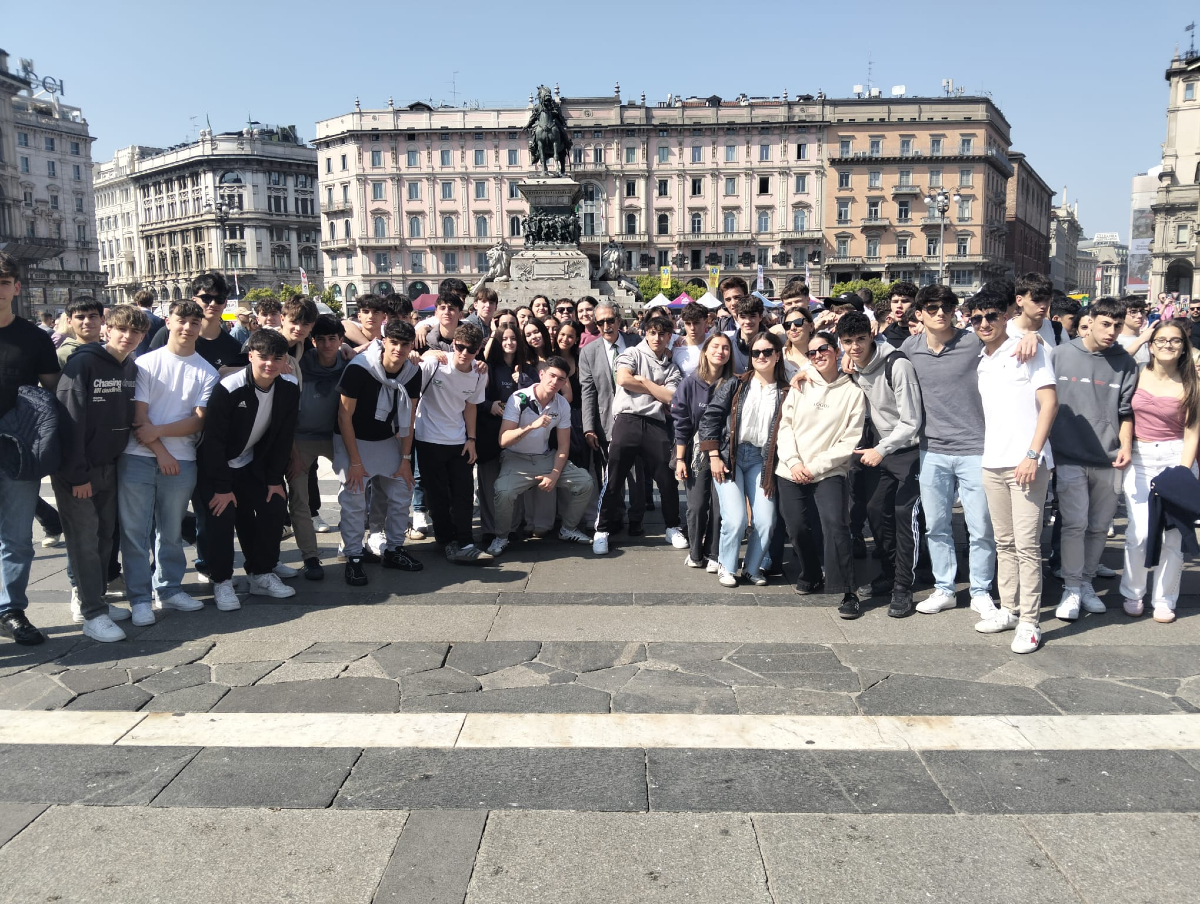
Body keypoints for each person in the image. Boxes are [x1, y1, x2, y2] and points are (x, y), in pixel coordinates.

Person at [906, 284, 1038, 617]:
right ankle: (944, 588)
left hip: (977, 448)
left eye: (948, 307)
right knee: (936, 525)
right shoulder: (910, 347)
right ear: (918, 314)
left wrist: (1032, 336)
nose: (941, 313)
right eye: (933, 308)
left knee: (980, 527)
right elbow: (873, 360)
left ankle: (980, 589)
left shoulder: (972, 340)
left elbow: (1009, 338)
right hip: (931, 448)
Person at [119, 299, 218, 626]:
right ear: (168, 321)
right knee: (135, 533)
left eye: (194, 322)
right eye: (182, 320)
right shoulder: (145, 363)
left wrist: (158, 435)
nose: (188, 327)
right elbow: (139, 415)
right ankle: (139, 597)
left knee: (171, 531)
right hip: (138, 459)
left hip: (184, 460)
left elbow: (199, 421)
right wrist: (162, 451)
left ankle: (170, 588)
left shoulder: (207, 370)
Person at [54, 304, 148, 641]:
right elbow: (70, 421)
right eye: (121, 329)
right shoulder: (85, 362)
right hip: (80, 470)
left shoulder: (129, 367)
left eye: (136, 332)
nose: (128, 337)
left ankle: (96, 600)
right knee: (84, 541)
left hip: (110, 466)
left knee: (105, 537)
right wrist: (77, 474)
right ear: (107, 328)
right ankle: (92, 613)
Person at [971, 291, 1059, 653]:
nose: (984, 324)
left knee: (1026, 546)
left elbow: (1050, 403)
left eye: (991, 315)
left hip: (1027, 463)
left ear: (1007, 314)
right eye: (976, 318)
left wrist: (1032, 454)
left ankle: (1030, 621)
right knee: (1004, 543)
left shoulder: (1029, 350)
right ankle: (1008, 609)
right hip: (992, 461)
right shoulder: (982, 358)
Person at [1047, 296, 1138, 620]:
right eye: (1105, 323)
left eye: (1117, 325)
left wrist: (1125, 446)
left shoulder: (1125, 363)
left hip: (1109, 457)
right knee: (1074, 524)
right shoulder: (1060, 355)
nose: (1111, 331)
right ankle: (1072, 588)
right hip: (1068, 454)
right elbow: (1044, 404)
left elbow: (1127, 412)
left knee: (1099, 527)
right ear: (1092, 319)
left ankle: (1086, 582)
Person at [197, 329, 300, 609]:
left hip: (251, 463)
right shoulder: (229, 388)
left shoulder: (289, 388)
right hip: (215, 466)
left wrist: (274, 480)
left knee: (274, 505)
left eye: (277, 358)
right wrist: (221, 487)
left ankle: (261, 574)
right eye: (263, 357)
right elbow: (213, 442)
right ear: (250, 356)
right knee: (221, 516)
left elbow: (282, 438)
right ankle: (221, 581)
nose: (269, 364)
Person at [837, 312, 925, 616]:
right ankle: (889, 572)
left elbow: (911, 421)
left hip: (906, 449)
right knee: (875, 510)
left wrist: (882, 449)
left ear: (871, 336)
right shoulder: (853, 366)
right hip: (880, 449)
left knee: (903, 514)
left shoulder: (896, 364)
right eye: (848, 342)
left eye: (860, 339)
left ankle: (903, 586)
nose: (855, 347)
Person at [772, 331, 865, 611]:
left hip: (828, 470)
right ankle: (811, 573)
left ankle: (847, 590)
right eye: (812, 352)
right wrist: (793, 461)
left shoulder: (853, 391)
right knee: (797, 527)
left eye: (823, 349)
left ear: (837, 351)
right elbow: (784, 425)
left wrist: (814, 467)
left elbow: (850, 439)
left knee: (836, 525)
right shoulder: (801, 383)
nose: (817, 355)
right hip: (791, 468)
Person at [1119, 320, 1200, 622]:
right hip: (1139, 457)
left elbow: (1192, 432)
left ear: (1183, 348)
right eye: (1161, 340)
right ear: (1151, 346)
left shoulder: (1192, 383)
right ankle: (1132, 591)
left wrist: (1183, 470)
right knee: (1138, 533)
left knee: (1173, 536)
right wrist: (1140, 337)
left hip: (1175, 457)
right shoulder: (1135, 373)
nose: (1168, 345)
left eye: (1175, 341)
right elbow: (1124, 414)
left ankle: (1165, 599)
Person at [698, 331, 792, 586]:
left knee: (765, 520)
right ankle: (727, 567)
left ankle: (752, 568)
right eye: (755, 352)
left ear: (777, 355)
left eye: (766, 352)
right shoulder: (736, 384)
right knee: (736, 518)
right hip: (731, 456)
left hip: (763, 460)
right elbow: (711, 418)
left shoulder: (787, 390)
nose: (761, 356)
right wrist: (714, 455)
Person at [0, 254, 61, 646]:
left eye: (4, 281)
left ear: (16, 287)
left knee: (17, 537)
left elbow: (56, 389)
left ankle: (10, 609)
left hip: (17, 449)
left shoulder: (34, 337)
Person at [335, 319, 424, 585]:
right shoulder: (360, 368)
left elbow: (409, 419)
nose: (398, 349)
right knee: (354, 497)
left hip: (386, 437)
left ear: (410, 347)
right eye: (394, 342)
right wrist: (355, 462)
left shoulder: (412, 372)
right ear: (383, 341)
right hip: (352, 437)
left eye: (405, 344)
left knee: (402, 488)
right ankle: (353, 557)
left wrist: (406, 459)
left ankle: (394, 549)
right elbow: (343, 416)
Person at [593, 314, 685, 555]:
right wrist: (656, 389)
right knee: (614, 477)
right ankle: (601, 529)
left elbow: (671, 398)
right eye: (652, 332)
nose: (657, 338)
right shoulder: (631, 353)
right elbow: (623, 379)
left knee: (666, 477)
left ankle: (672, 526)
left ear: (669, 336)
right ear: (646, 333)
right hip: (627, 419)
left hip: (655, 423)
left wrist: (643, 380)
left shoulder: (672, 366)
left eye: (662, 334)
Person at [486, 357, 595, 556]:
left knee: (585, 482)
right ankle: (501, 537)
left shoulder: (562, 404)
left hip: (545, 457)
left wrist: (554, 473)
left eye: (561, 379)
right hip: (516, 458)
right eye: (552, 376)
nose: (555, 382)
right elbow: (503, 440)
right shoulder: (519, 398)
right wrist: (531, 426)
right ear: (542, 374)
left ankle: (568, 529)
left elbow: (563, 445)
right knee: (503, 491)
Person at [415, 322, 490, 563]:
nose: (464, 353)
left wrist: (471, 438)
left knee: (464, 492)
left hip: (458, 439)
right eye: (460, 347)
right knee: (437, 495)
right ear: (453, 344)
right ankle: (446, 541)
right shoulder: (435, 363)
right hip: (428, 438)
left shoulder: (480, 372)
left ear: (479, 350)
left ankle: (466, 540)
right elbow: (414, 397)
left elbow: (471, 406)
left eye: (471, 349)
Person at [288, 315, 349, 581]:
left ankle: (351, 546)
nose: (326, 345)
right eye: (320, 339)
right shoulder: (298, 362)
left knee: (355, 491)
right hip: (300, 438)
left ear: (341, 340)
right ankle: (310, 556)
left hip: (336, 436)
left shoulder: (349, 364)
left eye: (332, 339)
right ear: (313, 340)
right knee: (299, 500)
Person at [579, 302, 644, 533]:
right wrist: (588, 427)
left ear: (618, 320)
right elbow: (587, 391)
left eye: (609, 320)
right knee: (610, 473)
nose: (606, 326)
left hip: (636, 417)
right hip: (605, 421)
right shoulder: (588, 351)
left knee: (637, 473)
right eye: (600, 322)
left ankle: (636, 518)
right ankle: (616, 516)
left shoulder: (637, 343)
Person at [672, 332, 734, 571]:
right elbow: (682, 424)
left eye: (725, 348)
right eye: (715, 346)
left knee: (720, 507)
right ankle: (695, 552)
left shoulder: (733, 383)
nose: (720, 351)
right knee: (697, 506)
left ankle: (714, 553)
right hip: (695, 453)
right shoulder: (689, 383)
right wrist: (680, 459)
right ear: (705, 351)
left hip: (725, 453)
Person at [477, 322, 537, 545]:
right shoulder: (488, 367)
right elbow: (473, 398)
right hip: (490, 433)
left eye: (513, 339)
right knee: (489, 484)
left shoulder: (527, 369)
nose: (509, 343)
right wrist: (490, 404)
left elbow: (536, 397)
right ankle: (490, 529)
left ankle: (512, 527)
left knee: (514, 484)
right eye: (504, 339)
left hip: (518, 436)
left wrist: (521, 381)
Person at [148, 273, 246, 375]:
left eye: (219, 299)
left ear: (225, 303)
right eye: (206, 298)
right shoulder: (170, 333)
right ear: (194, 300)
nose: (213, 304)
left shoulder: (233, 347)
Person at [57, 296, 104, 367]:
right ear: (69, 321)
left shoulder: (114, 351)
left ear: (102, 319)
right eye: (80, 317)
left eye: (92, 316)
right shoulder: (62, 355)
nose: (87, 322)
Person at [726, 295, 764, 374]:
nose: (748, 321)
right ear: (737, 318)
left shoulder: (771, 344)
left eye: (752, 316)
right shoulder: (727, 344)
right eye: (743, 317)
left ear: (760, 317)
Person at [672, 302, 709, 377]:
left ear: (706, 322)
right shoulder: (676, 347)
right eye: (688, 323)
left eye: (696, 323)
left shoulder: (715, 341)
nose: (692, 328)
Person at [879, 282, 917, 348]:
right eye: (895, 302)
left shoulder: (923, 331)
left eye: (904, 301)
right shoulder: (889, 330)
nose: (899, 305)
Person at [1117, 296, 1152, 367]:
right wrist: (1141, 340)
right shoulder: (1115, 340)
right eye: (1133, 312)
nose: (1139, 316)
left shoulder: (1146, 338)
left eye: (1142, 312)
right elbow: (1118, 361)